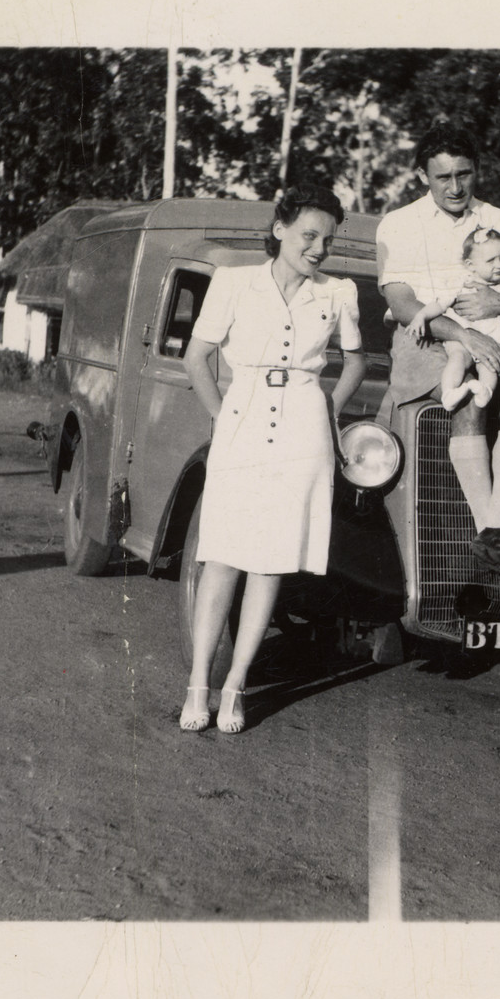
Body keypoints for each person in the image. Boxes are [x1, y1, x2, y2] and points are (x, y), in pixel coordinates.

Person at [179, 185, 367, 734]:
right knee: (222, 557)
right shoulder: (234, 282)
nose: (318, 248)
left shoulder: (339, 293)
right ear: (280, 227)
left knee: (270, 562)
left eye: (328, 240)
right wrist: (223, 416)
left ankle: (235, 687)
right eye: (309, 235)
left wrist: (323, 409)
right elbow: (197, 359)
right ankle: (198, 684)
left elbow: (352, 363)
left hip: (304, 427)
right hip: (243, 414)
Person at [377, 123, 500, 576]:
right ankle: (495, 533)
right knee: (468, 399)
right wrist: (465, 335)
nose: (455, 187)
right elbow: (402, 304)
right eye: (443, 177)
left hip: (497, 333)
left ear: (477, 171)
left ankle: (494, 533)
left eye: (464, 174)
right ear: (422, 176)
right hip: (425, 340)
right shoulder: (399, 224)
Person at [405, 226, 500, 412]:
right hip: (461, 339)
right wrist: (421, 316)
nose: (499, 265)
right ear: (470, 265)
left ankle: (485, 392)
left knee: (490, 366)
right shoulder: (461, 283)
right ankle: (449, 393)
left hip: (493, 344)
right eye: (491, 260)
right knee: (457, 358)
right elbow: (439, 304)